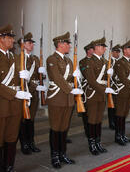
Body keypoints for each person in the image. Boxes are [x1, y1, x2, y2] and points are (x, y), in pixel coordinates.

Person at [46, 32, 83, 168]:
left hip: (68, 99)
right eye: (67, 43)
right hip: (57, 98)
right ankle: (54, 156)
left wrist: (76, 80)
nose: (69, 46)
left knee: (64, 128)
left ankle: (63, 154)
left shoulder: (68, 61)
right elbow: (57, 78)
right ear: (60, 44)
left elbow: (69, 79)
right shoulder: (52, 59)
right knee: (56, 128)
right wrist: (70, 90)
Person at [0, 24, 32, 172]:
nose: (13, 41)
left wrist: (24, 81)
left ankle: (9, 166)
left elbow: (18, 79)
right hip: (2, 103)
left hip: (16, 104)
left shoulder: (14, 57)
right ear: (2, 39)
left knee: (12, 137)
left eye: (13, 38)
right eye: (10, 38)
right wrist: (15, 93)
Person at [81, 37, 115, 155]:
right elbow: (91, 81)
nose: (105, 48)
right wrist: (105, 90)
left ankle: (98, 142)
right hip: (93, 94)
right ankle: (92, 144)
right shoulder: (89, 61)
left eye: (104, 47)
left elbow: (107, 79)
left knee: (99, 120)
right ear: (96, 48)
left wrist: (110, 74)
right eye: (102, 46)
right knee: (92, 119)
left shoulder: (106, 62)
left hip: (101, 94)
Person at [18, 32, 46, 155]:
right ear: (22, 45)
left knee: (32, 119)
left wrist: (43, 73)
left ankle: (31, 143)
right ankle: (24, 144)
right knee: (24, 119)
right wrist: (36, 85)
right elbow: (21, 79)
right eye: (29, 43)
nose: (32, 45)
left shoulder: (35, 59)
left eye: (32, 43)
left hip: (34, 93)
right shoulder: (18, 58)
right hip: (25, 92)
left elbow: (39, 76)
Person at [79, 41, 95, 139]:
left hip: (96, 89)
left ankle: (93, 132)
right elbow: (86, 74)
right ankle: (87, 130)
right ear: (88, 50)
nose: (94, 50)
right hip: (87, 89)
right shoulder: (83, 62)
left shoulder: (96, 61)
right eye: (93, 49)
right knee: (87, 112)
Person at [108, 44, 121, 130]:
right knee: (111, 105)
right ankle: (111, 122)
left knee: (117, 105)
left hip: (119, 87)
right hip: (111, 86)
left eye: (119, 52)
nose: (118, 54)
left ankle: (116, 121)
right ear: (112, 52)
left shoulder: (119, 62)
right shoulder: (109, 61)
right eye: (116, 52)